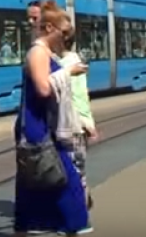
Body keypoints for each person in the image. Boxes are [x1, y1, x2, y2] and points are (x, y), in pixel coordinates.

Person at [13, 0, 90, 236]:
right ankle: (68, 226)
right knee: (59, 180)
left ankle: (31, 226)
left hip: (48, 125)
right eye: (63, 32)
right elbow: (44, 89)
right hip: (38, 127)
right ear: (49, 29)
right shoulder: (37, 52)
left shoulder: (47, 52)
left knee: (39, 182)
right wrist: (69, 71)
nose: (66, 37)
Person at [58, 30, 97, 210]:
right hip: (75, 124)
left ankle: (80, 211)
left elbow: (77, 96)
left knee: (73, 170)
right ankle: (82, 202)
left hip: (72, 125)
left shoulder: (66, 64)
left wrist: (86, 122)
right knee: (76, 170)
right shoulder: (74, 61)